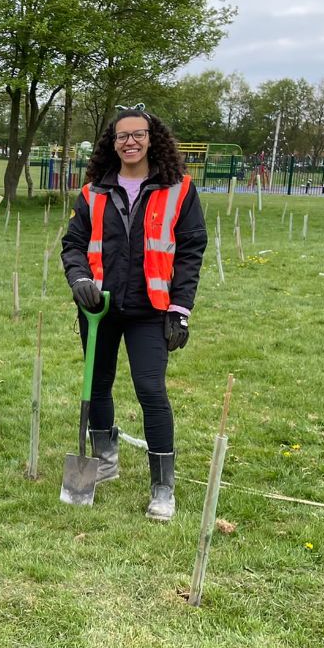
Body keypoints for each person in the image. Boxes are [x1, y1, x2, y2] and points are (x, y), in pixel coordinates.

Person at [60, 104, 206, 520]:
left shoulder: (178, 189)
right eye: (122, 135)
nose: (130, 142)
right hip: (99, 308)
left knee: (151, 391)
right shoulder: (94, 192)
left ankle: (163, 486)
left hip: (150, 309)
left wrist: (180, 310)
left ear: (151, 137)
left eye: (138, 134)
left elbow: (192, 251)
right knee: (98, 384)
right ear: (113, 141)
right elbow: (73, 246)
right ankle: (104, 459)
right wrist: (80, 281)